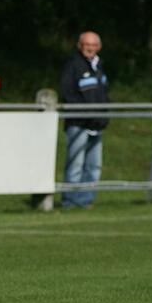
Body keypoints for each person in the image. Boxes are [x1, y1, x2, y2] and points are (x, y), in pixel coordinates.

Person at [60, 31, 109, 209]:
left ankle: (85, 200)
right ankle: (70, 201)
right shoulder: (73, 65)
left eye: (93, 45)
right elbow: (67, 93)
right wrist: (86, 112)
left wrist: (103, 115)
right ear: (80, 46)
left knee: (94, 165)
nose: (90, 48)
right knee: (75, 164)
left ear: (99, 47)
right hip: (78, 123)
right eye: (86, 44)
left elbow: (104, 95)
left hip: (97, 123)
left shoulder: (99, 66)